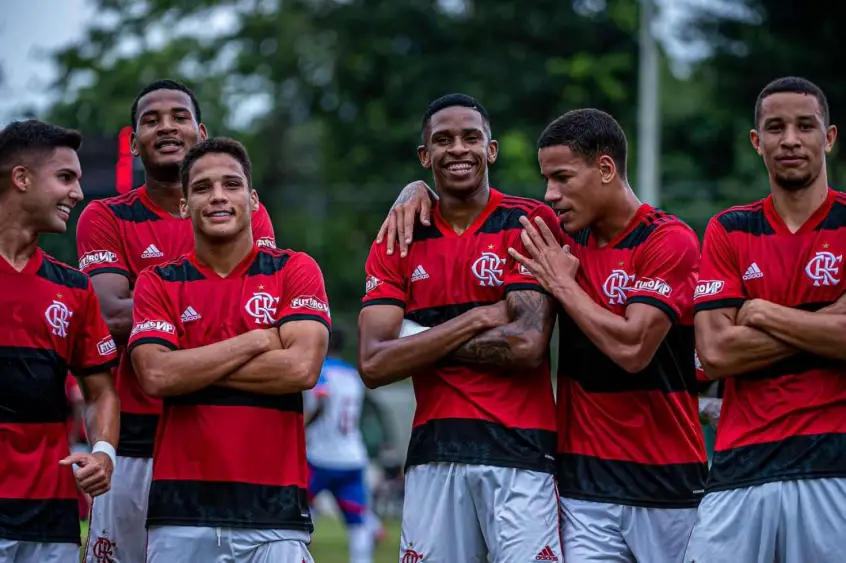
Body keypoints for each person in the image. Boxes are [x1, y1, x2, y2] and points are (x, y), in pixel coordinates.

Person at [380, 108, 707, 563]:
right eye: (546, 180)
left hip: (668, 483)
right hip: (583, 492)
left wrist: (563, 287)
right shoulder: (558, 242)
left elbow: (632, 349)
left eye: (562, 178)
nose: (550, 194)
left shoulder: (666, 240)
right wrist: (414, 190)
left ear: (606, 169)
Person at [75, 79, 277, 563]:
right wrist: (222, 321)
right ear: (134, 142)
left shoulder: (249, 210)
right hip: (135, 446)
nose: (166, 126)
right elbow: (108, 315)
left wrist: (163, 329)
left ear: (200, 131)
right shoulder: (105, 217)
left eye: (178, 116)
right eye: (151, 119)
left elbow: (263, 310)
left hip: (224, 435)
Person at [358, 93, 562, 563]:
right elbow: (372, 362)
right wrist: (475, 318)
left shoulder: (527, 222)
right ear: (425, 156)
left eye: (472, 137)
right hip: (434, 456)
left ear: (491, 150)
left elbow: (527, 345)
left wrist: (416, 337)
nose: (458, 149)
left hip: (521, 455)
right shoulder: (398, 236)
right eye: (443, 140)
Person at [128, 137, 329, 562]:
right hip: (180, 516)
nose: (217, 196)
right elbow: (155, 377)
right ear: (184, 205)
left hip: (275, 517)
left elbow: (301, 369)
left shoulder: (295, 269)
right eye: (202, 187)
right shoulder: (158, 281)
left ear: (253, 199)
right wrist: (257, 340)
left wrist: (189, 362)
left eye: (231, 184)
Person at [686, 76, 846, 562]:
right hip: (740, 465)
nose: (791, 140)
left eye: (805, 126)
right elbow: (715, 353)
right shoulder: (730, 229)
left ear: (829, 137)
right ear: (758, 142)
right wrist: (827, 322)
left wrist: (760, 312)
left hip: (834, 467)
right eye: (775, 128)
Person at [0, 120, 119, 562]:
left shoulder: (74, 288)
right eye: (65, 178)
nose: (79, 193)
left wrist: (103, 452)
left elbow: (101, 392)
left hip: (52, 519)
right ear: (21, 178)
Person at [304, 326, 375, 563]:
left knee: (301, 515)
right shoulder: (354, 375)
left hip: (320, 456)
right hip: (353, 456)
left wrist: (302, 427)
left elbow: (322, 402)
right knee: (357, 521)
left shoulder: (320, 370)